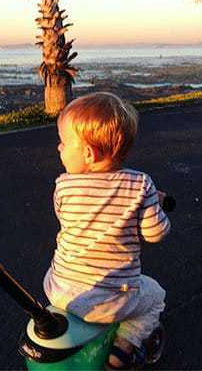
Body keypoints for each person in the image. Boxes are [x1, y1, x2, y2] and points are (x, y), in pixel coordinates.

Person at [44, 92, 169, 369]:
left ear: (88, 153)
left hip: (59, 289)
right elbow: (155, 233)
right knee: (156, 296)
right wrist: (153, 207)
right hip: (111, 300)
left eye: (63, 143)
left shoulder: (63, 186)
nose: (58, 148)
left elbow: (68, 219)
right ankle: (124, 348)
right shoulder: (141, 185)